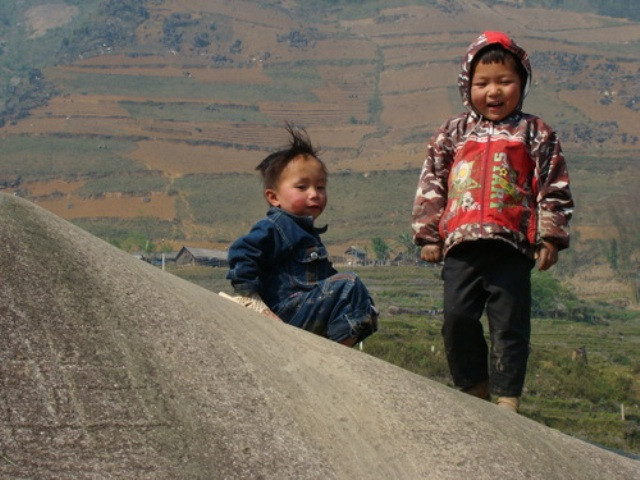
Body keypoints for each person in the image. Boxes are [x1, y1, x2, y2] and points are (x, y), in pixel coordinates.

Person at [411, 31, 573, 412]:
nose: (494, 91)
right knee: (456, 318)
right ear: (467, 86)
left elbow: (554, 185)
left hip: (511, 246)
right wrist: (429, 235)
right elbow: (432, 181)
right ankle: (474, 385)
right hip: (461, 246)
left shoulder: (536, 133)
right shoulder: (452, 133)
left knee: (509, 324)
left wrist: (550, 237)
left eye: (505, 81)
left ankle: (507, 397)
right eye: (482, 83)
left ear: (522, 83)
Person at [227, 123, 378, 347]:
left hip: (305, 307)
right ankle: (334, 352)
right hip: (286, 310)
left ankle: (333, 351)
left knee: (365, 306)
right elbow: (242, 252)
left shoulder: (306, 232)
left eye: (320, 187)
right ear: (273, 197)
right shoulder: (277, 226)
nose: (314, 194)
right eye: (302, 187)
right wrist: (251, 296)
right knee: (349, 285)